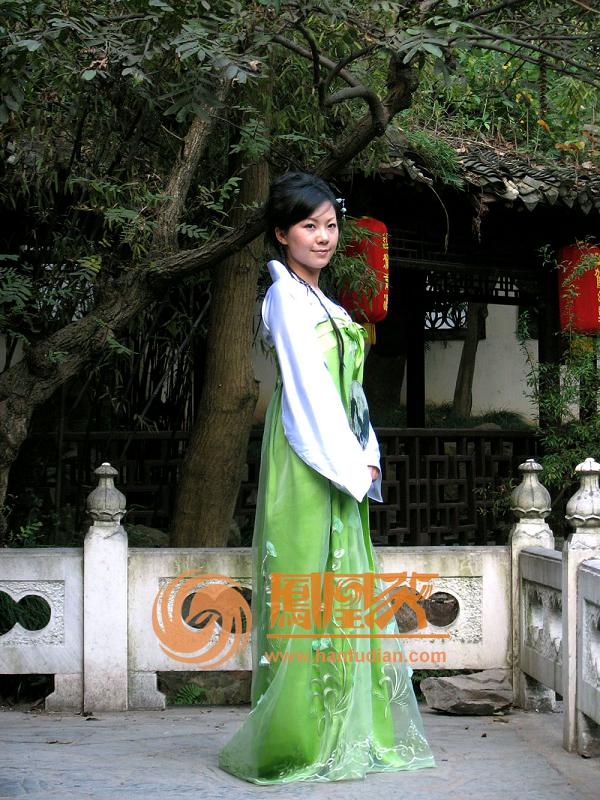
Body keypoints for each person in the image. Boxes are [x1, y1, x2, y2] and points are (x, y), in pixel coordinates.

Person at [218, 172, 435, 783]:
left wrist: (368, 450)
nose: (323, 237)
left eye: (331, 226)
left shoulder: (329, 305)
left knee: (342, 587)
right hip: (305, 454)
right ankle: (297, 738)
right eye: (308, 226)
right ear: (281, 234)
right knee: (304, 579)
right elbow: (308, 390)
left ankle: (346, 727)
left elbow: (351, 393)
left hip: (340, 450)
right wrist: (345, 461)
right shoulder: (283, 298)